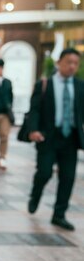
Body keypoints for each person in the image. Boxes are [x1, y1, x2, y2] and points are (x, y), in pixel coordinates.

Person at [27, 48, 84, 231]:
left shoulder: (80, 86)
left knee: (68, 177)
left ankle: (59, 214)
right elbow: (34, 109)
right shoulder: (44, 84)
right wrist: (34, 129)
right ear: (59, 62)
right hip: (48, 137)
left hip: (71, 138)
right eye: (69, 62)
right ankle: (35, 195)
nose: (72, 66)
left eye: (76, 63)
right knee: (44, 172)